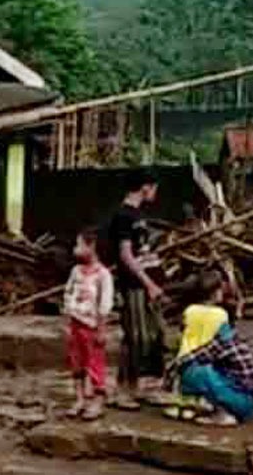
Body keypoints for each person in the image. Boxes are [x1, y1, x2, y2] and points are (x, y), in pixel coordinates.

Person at [167, 272, 253, 426]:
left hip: (244, 400)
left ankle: (224, 413)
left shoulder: (223, 342)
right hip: (246, 395)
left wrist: (172, 370)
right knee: (197, 369)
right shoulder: (225, 336)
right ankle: (217, 408)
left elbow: (191, 357)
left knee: (196, 372)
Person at [107, 170, 166, 403]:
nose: (155, 193)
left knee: (155, 333)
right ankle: (125, 389)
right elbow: (125, 255)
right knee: (136, 335)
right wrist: (148, 282)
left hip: (147, 282)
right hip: (134, 285)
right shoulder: (123, 216)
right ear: (145, 187)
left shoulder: (138, 215)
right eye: (154, 188)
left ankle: (145, 386)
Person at [62, 227, 114, 420]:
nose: (76, 249)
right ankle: (79, 398)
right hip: (75, 323)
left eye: (79, 245)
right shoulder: (76, 271)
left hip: (91, 326)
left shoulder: (103, 275)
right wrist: (68, 318)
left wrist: (101, 328)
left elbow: (105, 303)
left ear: (91, 246)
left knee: (95, 363)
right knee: (76, 362)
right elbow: (68, 293)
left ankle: (97, 401)